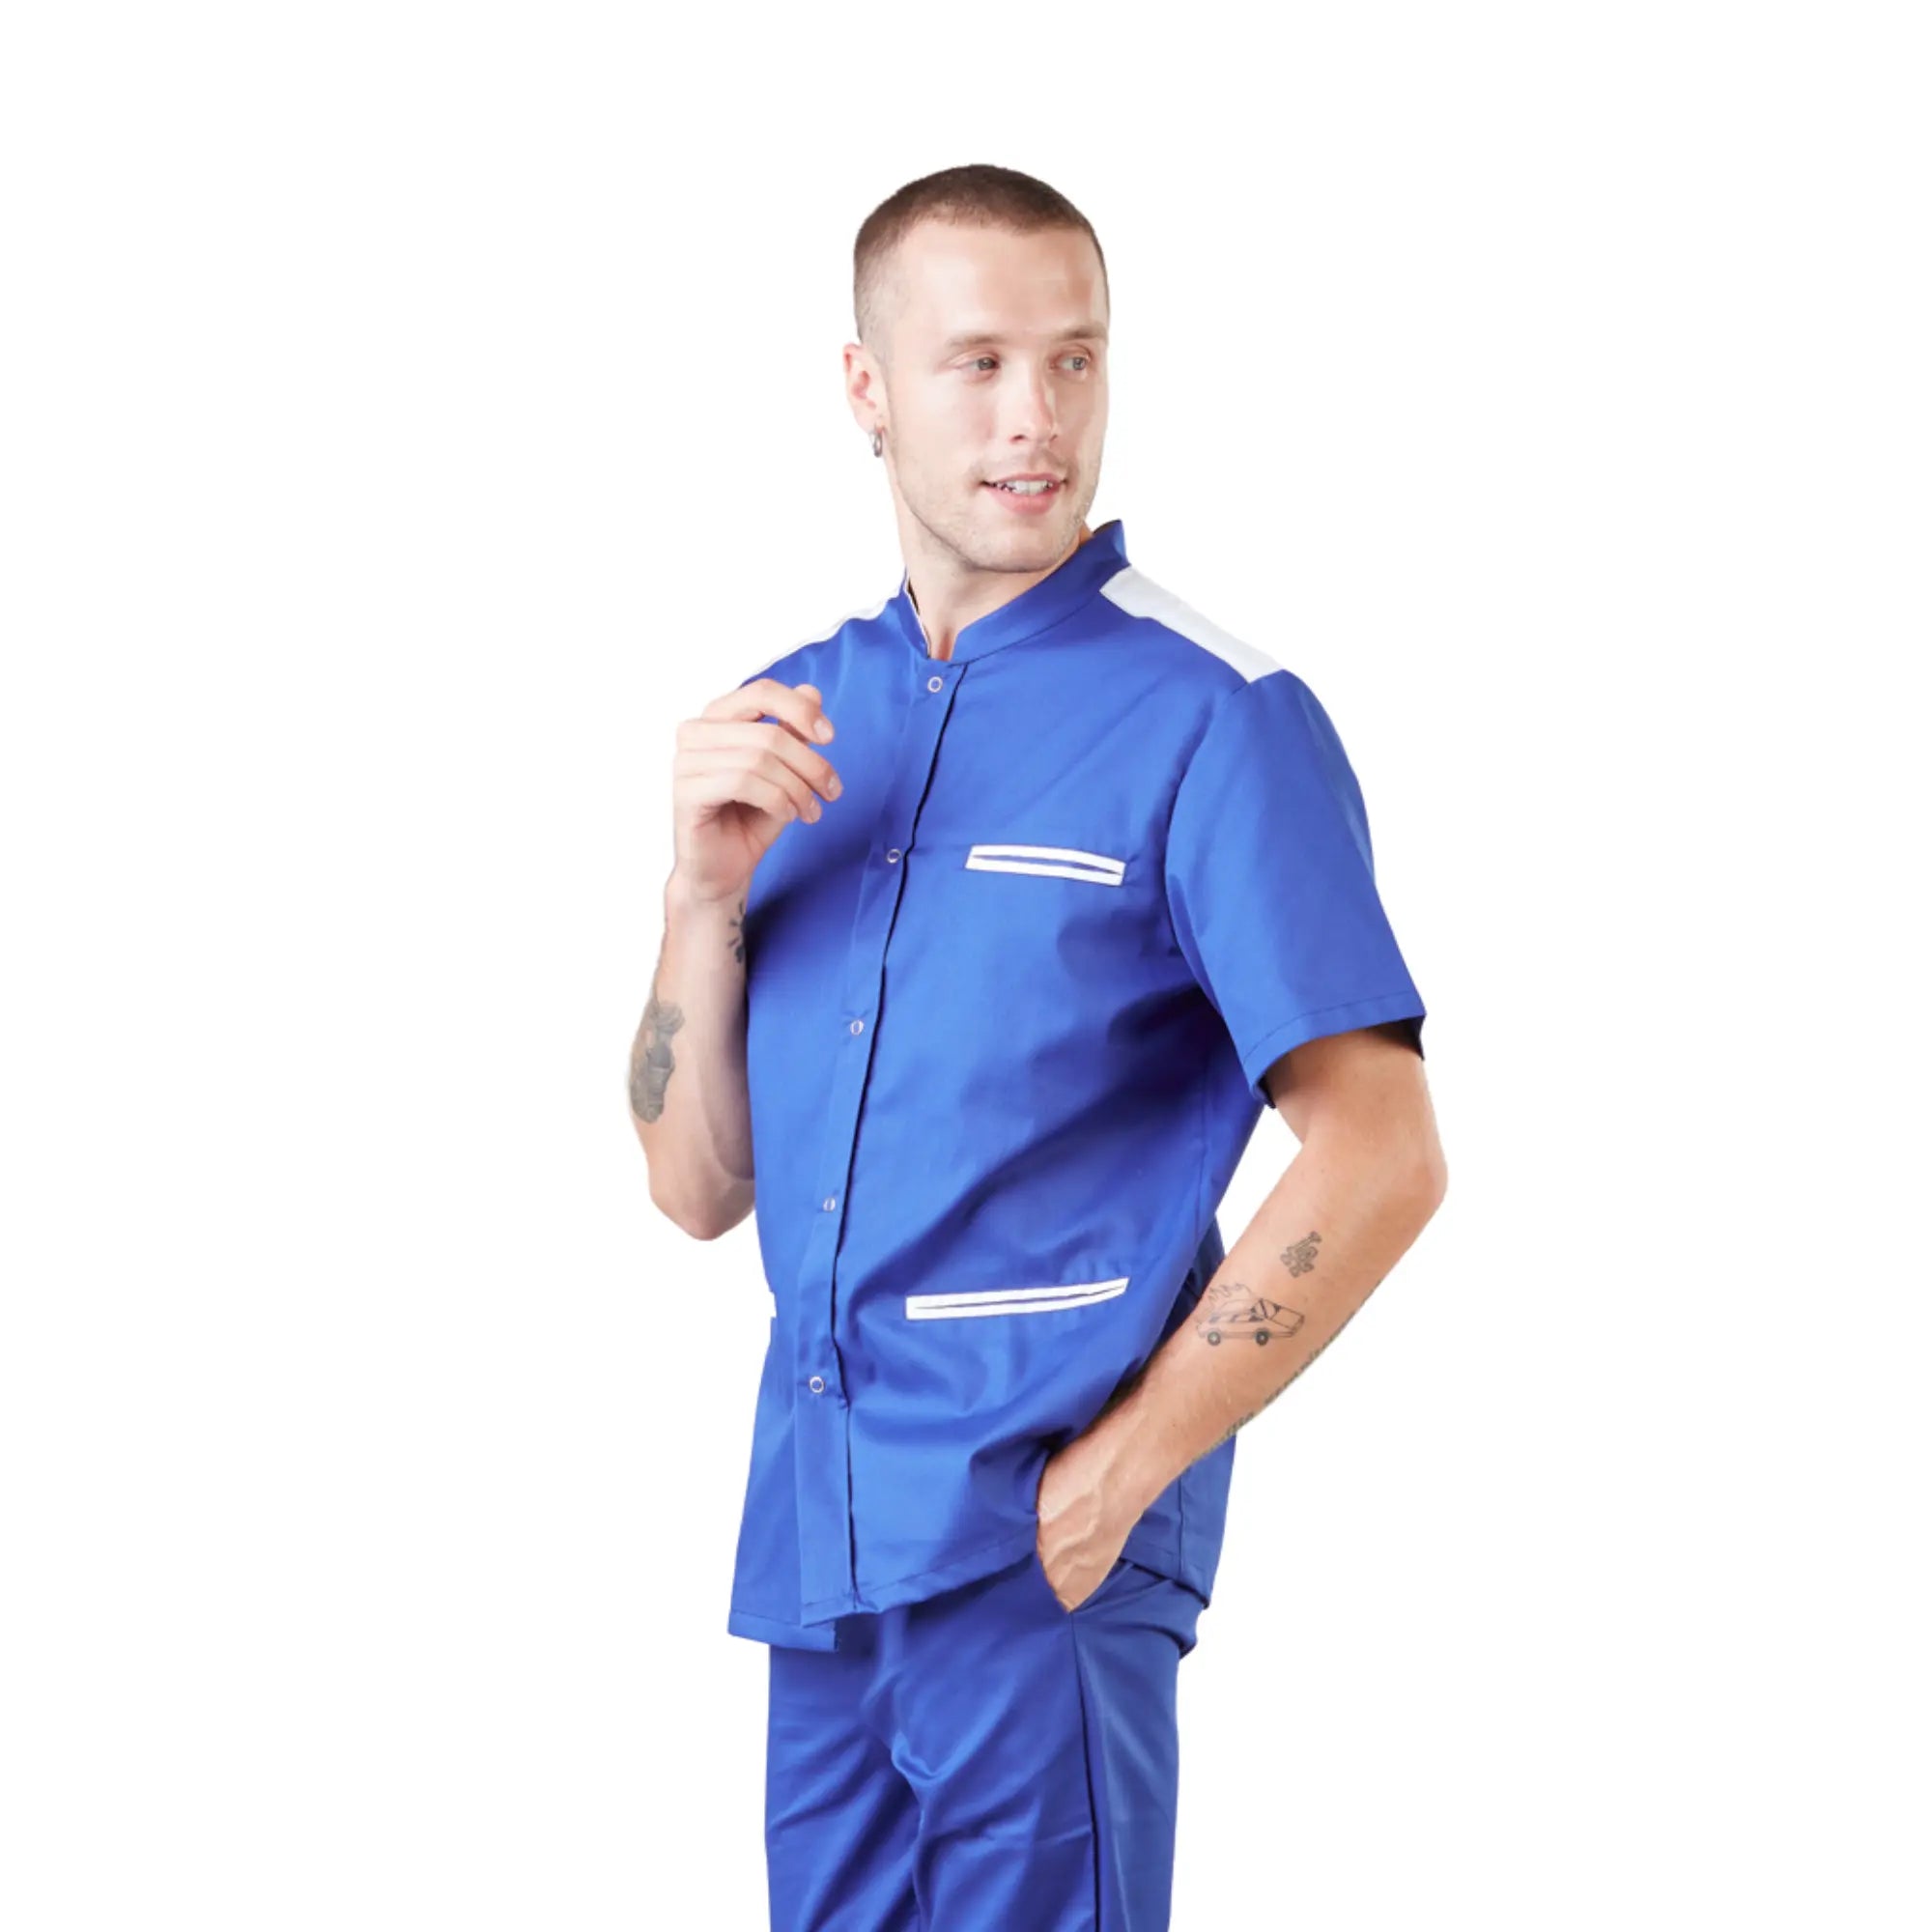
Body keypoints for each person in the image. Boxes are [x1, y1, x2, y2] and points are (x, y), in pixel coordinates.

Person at [629, 162, 1448, 1931]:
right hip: (822, 1551)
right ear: (866, 387)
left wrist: (1130, 1470)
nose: (1037, 418)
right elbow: (696, 1190)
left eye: (1075, 360)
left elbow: (1383, 1150)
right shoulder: (796, 717)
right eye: (979, 363)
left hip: (1043, 1550)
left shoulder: (1216, 718)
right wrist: (699, 899)